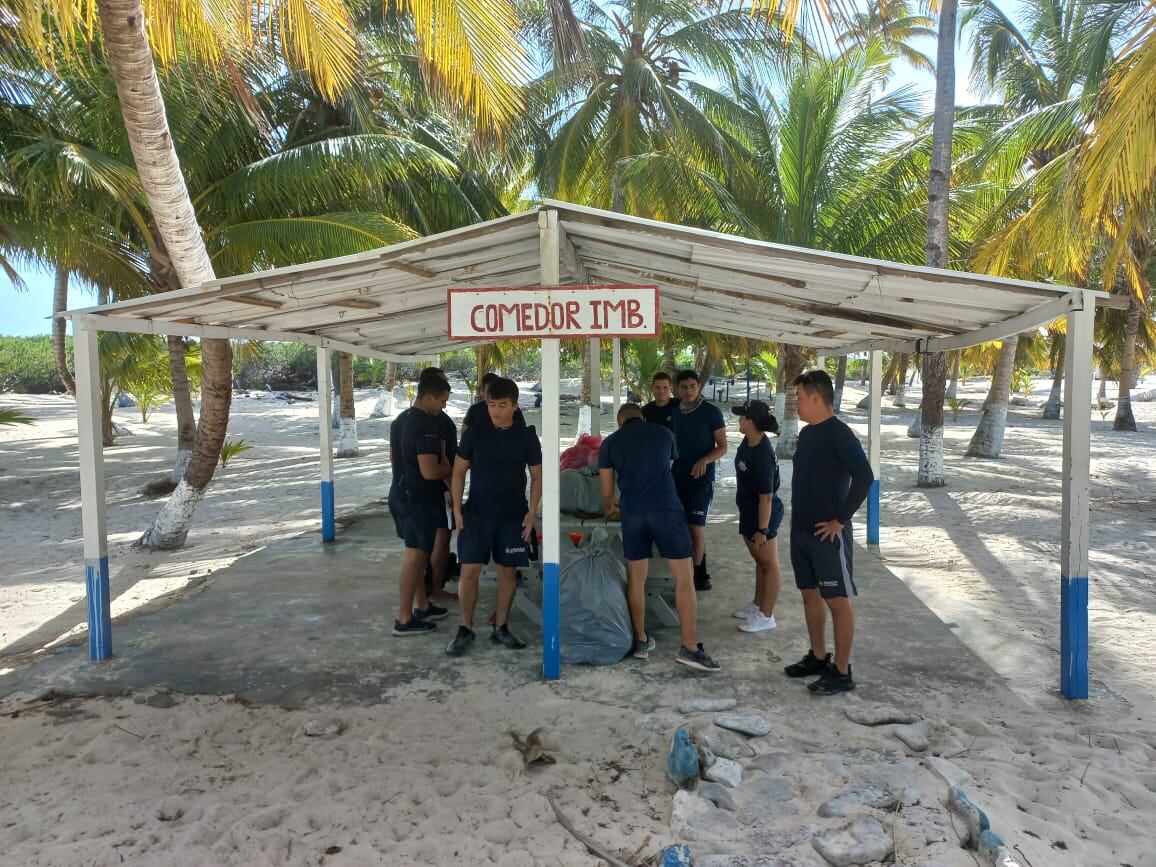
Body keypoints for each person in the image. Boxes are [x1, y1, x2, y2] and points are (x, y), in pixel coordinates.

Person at [599, 403, 721, 672]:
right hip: (666, 509)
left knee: (636, 577)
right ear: (642, 418)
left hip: (632, 513)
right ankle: (690, 647)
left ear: (619, 421)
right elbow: (667, 465)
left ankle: (640, 640)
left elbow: (606, 490)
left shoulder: (610, 443)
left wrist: (610, 507)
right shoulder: (665, 434)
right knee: (684, 577)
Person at [785, 369, 873, 695]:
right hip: (802, 531)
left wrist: (840, 521)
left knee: (837, 600)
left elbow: (864, 476)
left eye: (799, 397)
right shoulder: (808, 434)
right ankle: (819, 656)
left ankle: (842, 671)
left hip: (827, 535)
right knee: (810, 594)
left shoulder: (840, 434)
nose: (796, 404)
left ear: (815, 398)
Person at [447, 377, 542, 656]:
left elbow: (537, 476)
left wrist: (532, 512)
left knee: (508, 573)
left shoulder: (526, 436)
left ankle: (501, 627)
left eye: (502, 405)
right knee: (469, 572)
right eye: (491, 405)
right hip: (476, 514)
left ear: (515, 406)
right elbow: (458, 471)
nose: (496, 411)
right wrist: (457, 509)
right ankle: (465, 628)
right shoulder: (475, 433)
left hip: (513, 516)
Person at [387, 376, 454, 636]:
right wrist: (451, 469)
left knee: (416, 556)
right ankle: (404, 618)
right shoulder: (426, 424)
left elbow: (394, 459)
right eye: (442, 401)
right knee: (414, 558)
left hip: (399, 493)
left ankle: (422, 605)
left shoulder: (400, 420)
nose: (443, 406)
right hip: (417, 500)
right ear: (428, 397)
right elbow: (429, 471)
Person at [671, 370, 728, 591]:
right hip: (677, 478)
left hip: (701, 480)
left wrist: (705, 460)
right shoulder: (675, 412)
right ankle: (687, 572)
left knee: (696, 527)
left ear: (699, 387)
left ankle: (698, 574)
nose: (688, 391)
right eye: (684, 387)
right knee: (682, 527)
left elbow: (722, 446)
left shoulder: (711, 412)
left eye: (692, 386)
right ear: (677, 389)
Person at [731, 400, 783, 634]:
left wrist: (762, 530)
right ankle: (758, 605)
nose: (739, 419)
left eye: (742, 416)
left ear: (751, 422)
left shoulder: (762, 455)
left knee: (769, 565)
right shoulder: (748, 440)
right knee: (760, 562)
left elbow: (767, 497)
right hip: (749, 510)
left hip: (763, 514)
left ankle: (767, 616)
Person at [418, 367, 459, 604]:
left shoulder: (407, 420)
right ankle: (434, 588)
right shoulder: (437, 423)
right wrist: (453, 491)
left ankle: (427, 588)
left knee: (422, 543)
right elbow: (442, 460)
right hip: (440, 488)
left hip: (417, 491)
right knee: (442, 539)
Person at [461, 371, 525, 436]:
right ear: (483, 391)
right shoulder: (474, 410)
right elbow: (464, 433)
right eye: (490, 391)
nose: (494, 393)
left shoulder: (513, 410)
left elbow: (522, 431)